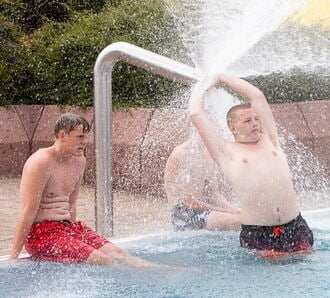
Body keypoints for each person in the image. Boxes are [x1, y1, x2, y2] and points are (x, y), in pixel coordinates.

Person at [9, 113, 161, 267]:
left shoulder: (79, 161)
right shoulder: (40, 162)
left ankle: (163, 273)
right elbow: (28, 209)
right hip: (41, 234)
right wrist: (13, 257)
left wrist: (74, 238)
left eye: (86, 137)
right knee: (104, 260)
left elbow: (72, 205)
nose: (85, 142)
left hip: (68, 228)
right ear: (62, 135)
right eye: (80, 137)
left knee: (119, 254)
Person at [188, 73, 314, 259]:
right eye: (247, 121)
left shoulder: (270, 139)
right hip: (259, 233)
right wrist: (203, 84)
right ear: (233, 128)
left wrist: (222, 76)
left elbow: (257, 96)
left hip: (295, 226)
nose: (255, 124)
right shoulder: (226, 152)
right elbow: (196, 113)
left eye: (256, 119)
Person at [164, 138, 242, 231]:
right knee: (237, 222)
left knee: (245, 218)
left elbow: (214, 194)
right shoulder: (181, 153)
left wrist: (235, 210)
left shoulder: (208, 153)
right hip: (184, 213)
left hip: (205, 208)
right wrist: (223, 211)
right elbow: (188, 201)